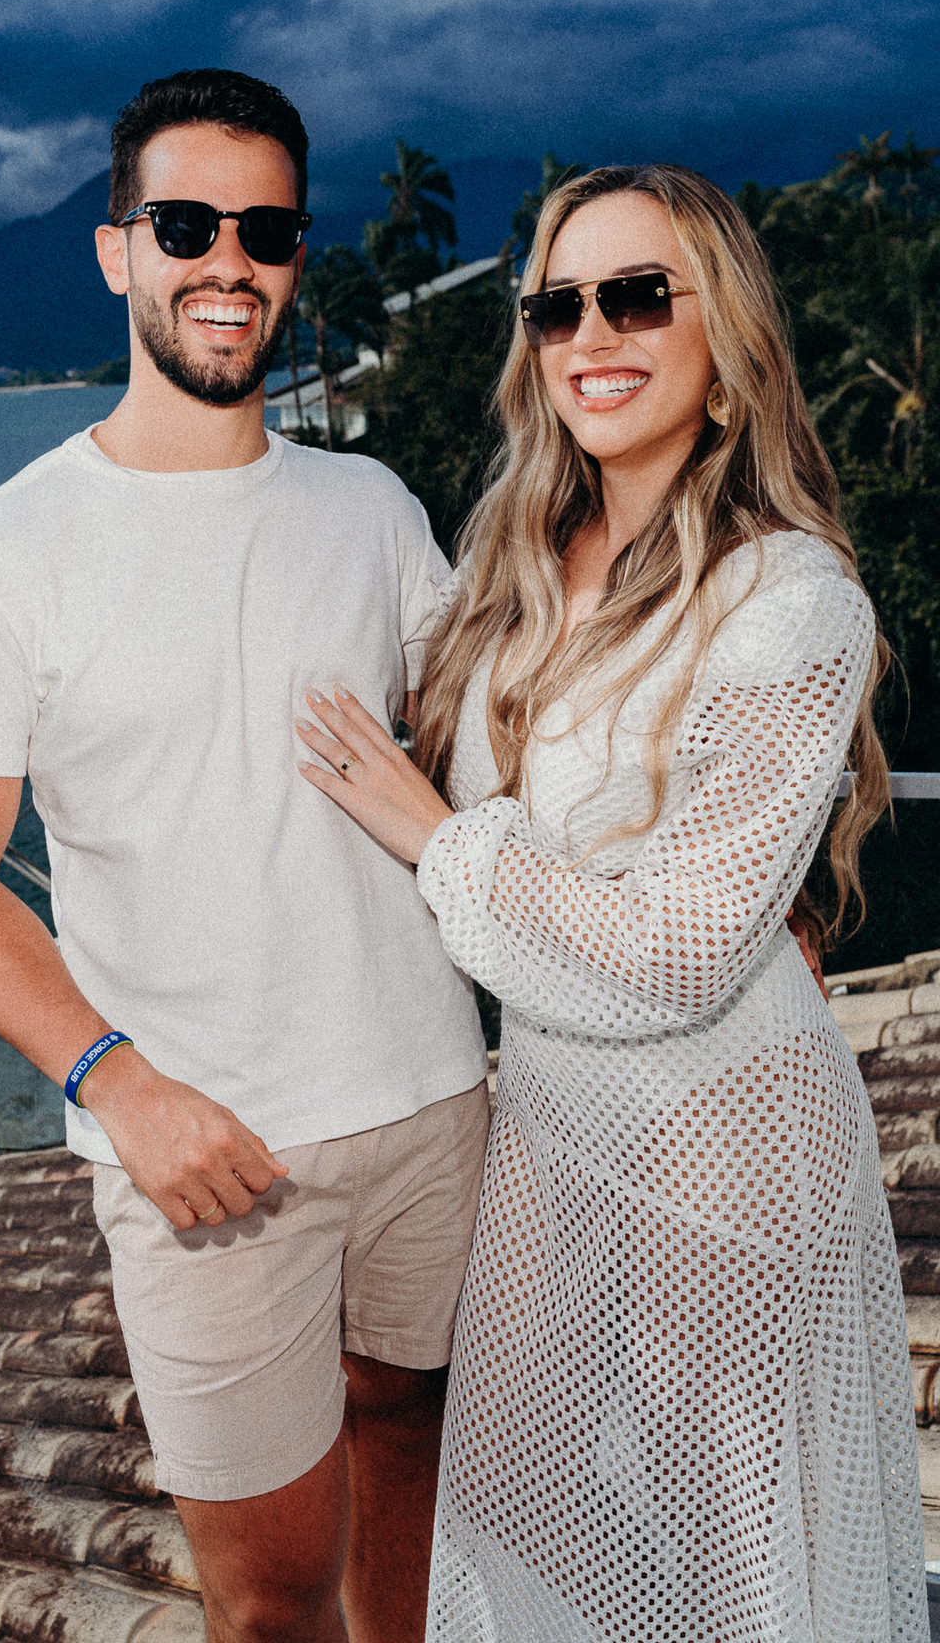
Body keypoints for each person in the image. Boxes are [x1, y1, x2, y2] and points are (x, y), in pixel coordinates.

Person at [0, 68, 490, 1643]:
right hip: (207, 1155)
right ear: (116, 250)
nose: (230, 260)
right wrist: (121, 1087)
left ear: (297, 260)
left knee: (415, 1450)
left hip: (435, 1102)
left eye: (266, 231)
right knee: (270, 1600)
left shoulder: (371, 507)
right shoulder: (2, 551)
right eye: (187, 224)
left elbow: (499, 745)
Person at [295, 163, 927, 1640]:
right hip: (546, 1133)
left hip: (722, 1146)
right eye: (557, 305)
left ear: (726, 338)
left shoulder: (789, 598)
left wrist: (440, 840)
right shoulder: (502, 565)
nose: (593, 334)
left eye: (640, 296)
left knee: (719, 1569)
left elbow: (681, 952)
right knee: (528, 1532)